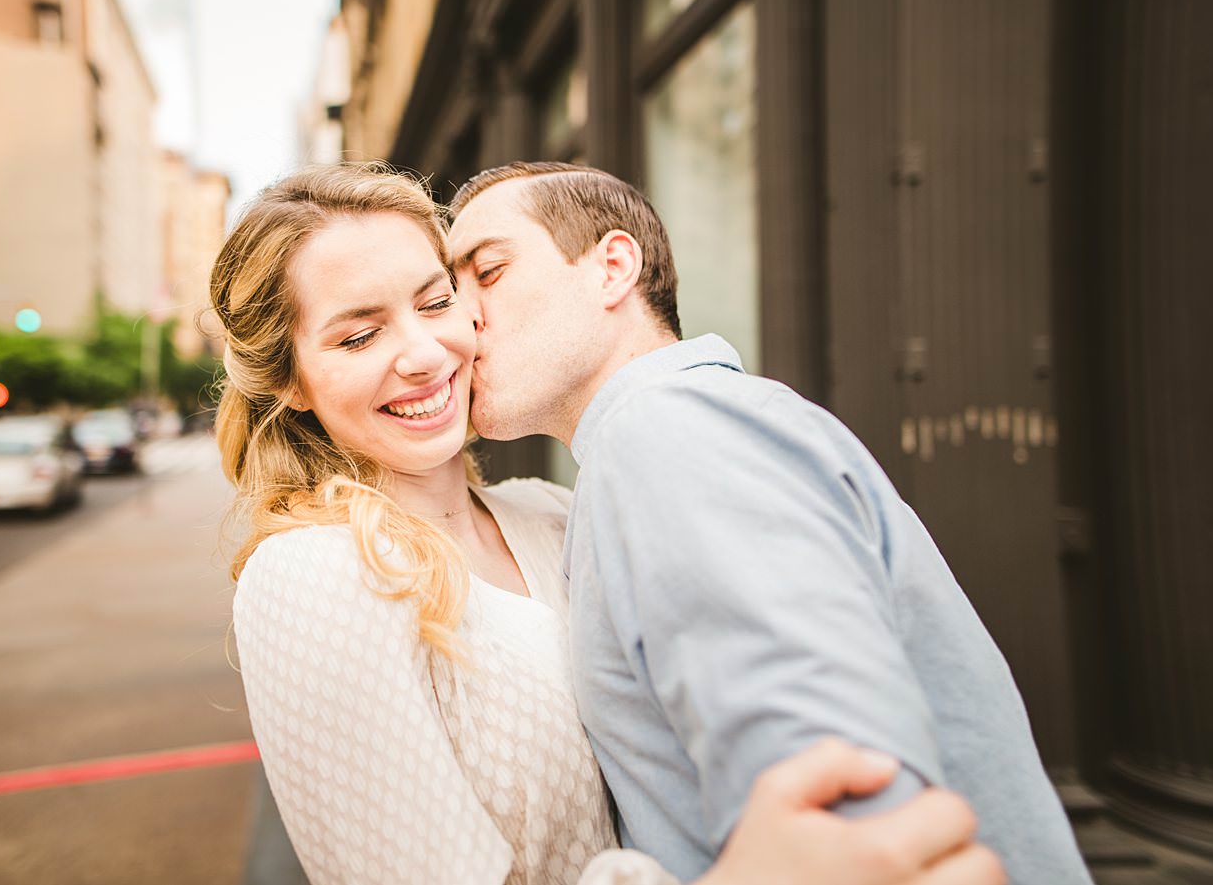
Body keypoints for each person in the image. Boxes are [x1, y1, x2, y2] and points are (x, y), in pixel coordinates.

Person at [215, 163, 1003, 885]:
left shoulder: (556, 511)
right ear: (290, 383)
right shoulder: (312, 576)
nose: (425, 352)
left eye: (437, 299)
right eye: (359, 335)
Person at [445, 161, 1092, 885]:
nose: (458, 319)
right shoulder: (677, 433)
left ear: (613, 267)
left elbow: (848, 814)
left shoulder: (663, 433)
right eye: (450, 289)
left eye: (489, 272)